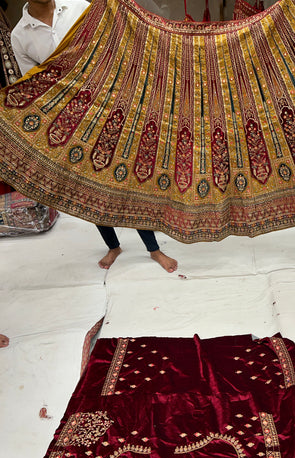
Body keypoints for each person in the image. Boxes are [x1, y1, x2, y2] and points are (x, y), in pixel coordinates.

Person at [11, 0, 178, 272]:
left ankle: (153, 248)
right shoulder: (20, 35)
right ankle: (113, 246)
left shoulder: (79, 6)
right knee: (89, 184)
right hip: (70, 118)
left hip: (110, 105)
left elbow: (114, 40)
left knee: (129, 177)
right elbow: (32, 82)